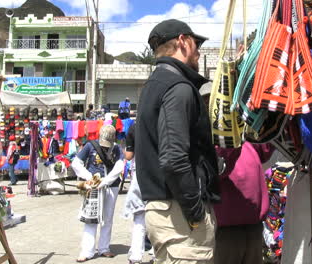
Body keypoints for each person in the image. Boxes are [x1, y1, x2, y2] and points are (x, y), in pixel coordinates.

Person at [135, 19, 220, 263]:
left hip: (168, 210)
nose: (199, 50)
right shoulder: (178, 87)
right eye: (196, 43)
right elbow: (173, 158)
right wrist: (195, 213)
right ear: (183, 41)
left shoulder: (155, 84)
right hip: (179, 216)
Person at [199, 84, 274, 264]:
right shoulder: (205, 140)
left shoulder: (242, 135)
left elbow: (265, 146)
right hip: (225, 231)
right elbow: (218, 169)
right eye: (208, 102)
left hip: (254, 227)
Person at [71, 125, 124, 262]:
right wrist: (89, 177)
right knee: (91, 218)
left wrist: (106, 181)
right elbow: (76, 163)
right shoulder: (90, 146)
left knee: (108, 218)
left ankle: (104, 248)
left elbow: (119, 166)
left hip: (111, 186)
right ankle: (87, 251)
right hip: (93, 187)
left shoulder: (116, 148)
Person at [122, 124, 153, 264]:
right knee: (158, 214)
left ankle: (135, 256)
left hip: (139, 175)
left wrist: (124, 151)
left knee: (139, 217)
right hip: (158, 173)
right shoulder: (161, 122)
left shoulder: (134, 128)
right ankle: (156, 253)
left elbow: (128, 156)